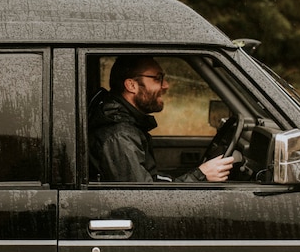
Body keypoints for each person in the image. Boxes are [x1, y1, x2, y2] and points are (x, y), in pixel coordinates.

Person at [89, 55, 235, 182]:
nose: (166, 85)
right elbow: (143, 199)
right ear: (131, 85)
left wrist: (198, 174)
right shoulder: (119, 136)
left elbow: (150, 181)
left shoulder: (127, 127)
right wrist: (200, 175)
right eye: (158, 78)